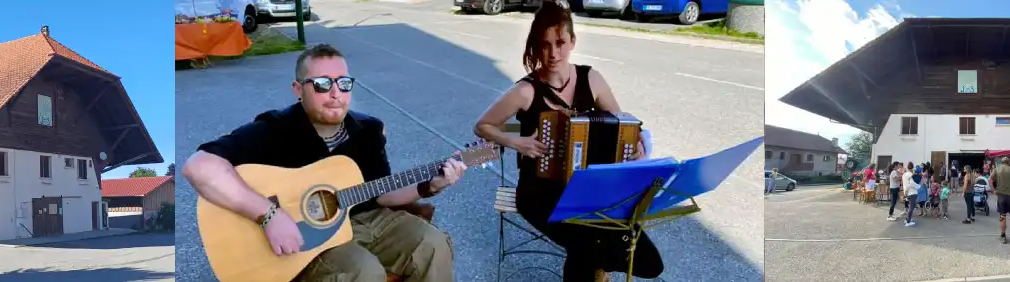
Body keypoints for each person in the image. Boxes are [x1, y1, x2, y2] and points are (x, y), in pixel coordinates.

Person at [183, 44, 464, 281]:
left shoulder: (368, 130)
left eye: (343, 83)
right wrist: (269, 215)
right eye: (321, 84)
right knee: (363, 271)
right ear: (298, 89)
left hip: (367, 219)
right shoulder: (273, 130)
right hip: (308, 239)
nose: (335, 94)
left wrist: (431, 184)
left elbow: (382, 193)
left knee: (434, 244)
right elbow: (199, 166)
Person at [472, 1, 658, 281]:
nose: (553, 53)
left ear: (572, 41)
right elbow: (482, 126)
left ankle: (598, 266)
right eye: (544, 45)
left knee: (649, 263)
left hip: (588, 189)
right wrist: (516, 142)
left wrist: (639, 145)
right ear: (536, 46)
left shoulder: (591, 79)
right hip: (539, 194)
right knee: (584, 245)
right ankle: (596, 268)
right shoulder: (525, 91)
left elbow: (625, 124)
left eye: (559, 42)